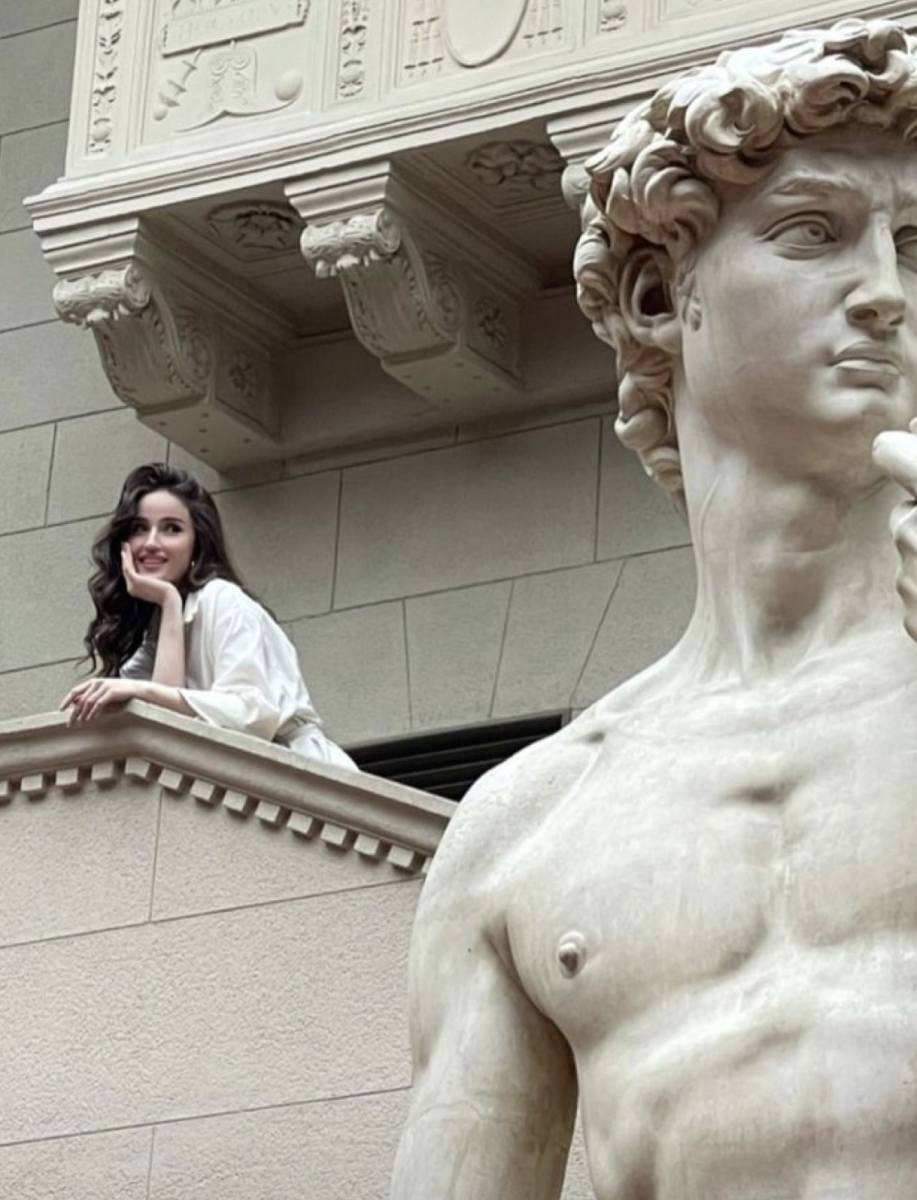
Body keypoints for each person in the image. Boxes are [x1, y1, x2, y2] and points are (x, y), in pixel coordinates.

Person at [392, 18, 917, 1199]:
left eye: (916, 243)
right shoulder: (528, 824)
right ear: (653, 294)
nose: (885, 292)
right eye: (812, 232)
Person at [61, 462, 356, 771]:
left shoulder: (223, 599)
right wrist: (169, 603)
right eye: (139, 529)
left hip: (304, 772)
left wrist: (141, 688)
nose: (151, 543)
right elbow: (161, 729)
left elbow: (252, 714)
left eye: (171, 529)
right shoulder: (160, 627)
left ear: (198, 544)